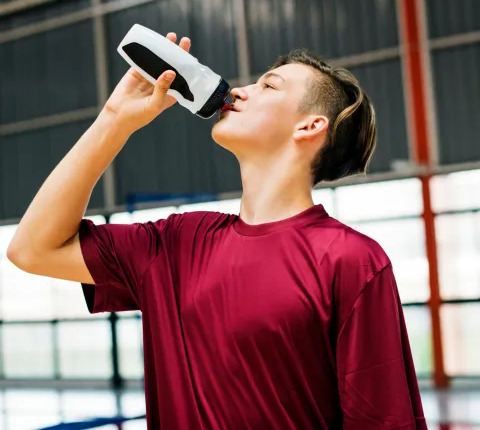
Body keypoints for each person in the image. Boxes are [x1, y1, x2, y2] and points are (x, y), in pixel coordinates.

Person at [8, 32, 427, 429]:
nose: (240, 90)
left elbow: (384, 418)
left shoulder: (351, 260)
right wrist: (115, 119)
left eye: (269, 87)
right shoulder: (176, 244)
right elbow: (32, 249)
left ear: (309, 127)